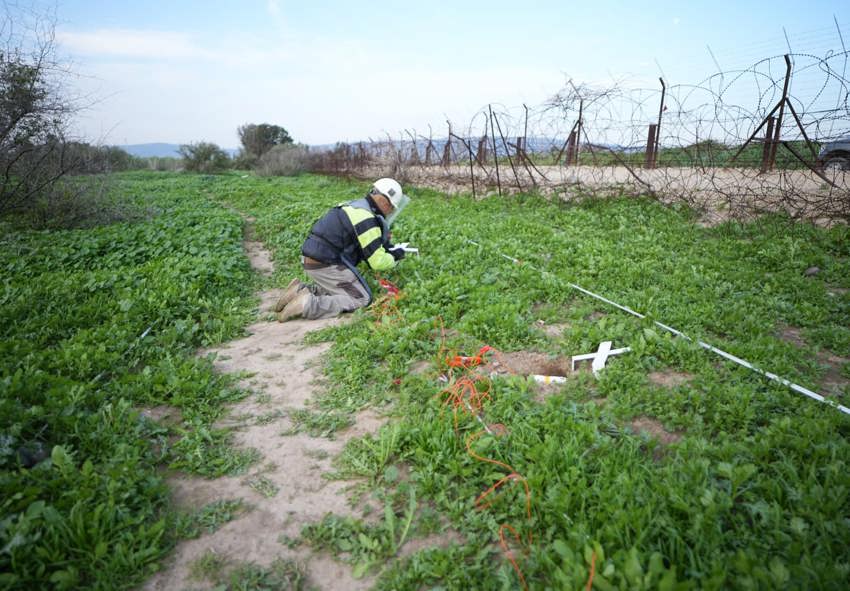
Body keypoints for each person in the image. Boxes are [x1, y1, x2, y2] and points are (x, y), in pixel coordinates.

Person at [275, 178, 411, 321]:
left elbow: (360, 245)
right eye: (392, 207)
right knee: (361, 298)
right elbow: (377, 262)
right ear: (384, 201)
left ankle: (300, 290)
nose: (390, 212)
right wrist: (396, 255)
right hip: (325, 263)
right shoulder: (367, 218)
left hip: (313, 259)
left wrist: (384, 246)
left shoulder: (355, 206)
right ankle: (308, 304)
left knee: (342, 287)